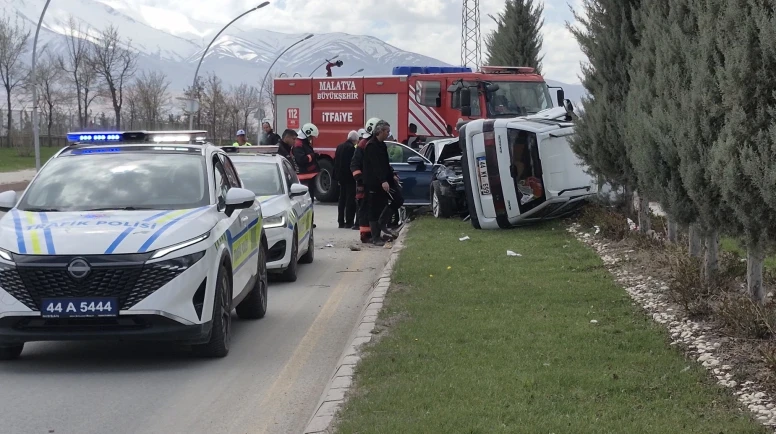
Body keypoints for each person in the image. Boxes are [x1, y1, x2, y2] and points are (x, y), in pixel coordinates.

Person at [362, 120, 400, 246]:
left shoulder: (382, 145)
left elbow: (385, 164)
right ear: (380, 131)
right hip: (374, 183)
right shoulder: (371, 146)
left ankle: (382, 222)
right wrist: (383, 180)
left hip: (385, 181)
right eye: (387, 131)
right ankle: (376, 237)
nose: (388, 134)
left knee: (398, 199)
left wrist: (392, 174)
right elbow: (375, 166)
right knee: (374, 209)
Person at [351, 119, 381, 242]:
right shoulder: (363, 144)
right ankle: (365, 235)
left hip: (372, 183)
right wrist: (361, 179)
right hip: (364, 184)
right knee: (364, 208)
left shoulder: (373, 143)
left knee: (372, 208)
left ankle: (373, 233)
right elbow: (354, 165)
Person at [334, 130, 358, 229]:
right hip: (349, 177)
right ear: (355, 140)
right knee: (350, 199)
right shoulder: (351, 148)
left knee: (342, 199)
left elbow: (336, 161)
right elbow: (352, 163)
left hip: (341, 177)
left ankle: (340, 221)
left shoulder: (339, 146)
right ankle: (349, 221)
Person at [293, 122, 320, 198]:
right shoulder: (299, 144)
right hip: (304, 177)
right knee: (306, 198)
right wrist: (313, 155)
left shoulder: (304, 143)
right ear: (307, 134)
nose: (311, 139)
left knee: (310, 197)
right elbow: (301, 159)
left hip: (308, 176)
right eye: (311, 136)